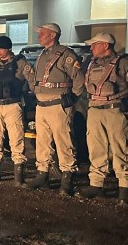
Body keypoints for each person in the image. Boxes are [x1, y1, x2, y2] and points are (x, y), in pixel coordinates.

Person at [79, 32, 128, 205]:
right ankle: (96, 184)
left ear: (106, 45)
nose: (91, 47)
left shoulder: (124, 62)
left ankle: (125, 188)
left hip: (115, 110)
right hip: (94, 109)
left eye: (95, 44)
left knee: (119, 149)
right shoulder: (91, 63)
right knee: (95, 148)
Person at [26, 23, 84, 196]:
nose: (39, 36)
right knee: (42, 142)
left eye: (43, 33)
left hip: (59, 104)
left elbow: (78, 80)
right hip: (41, 105)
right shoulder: (42, 55)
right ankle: (42, 174)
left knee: (63, 141)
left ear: (53, 35)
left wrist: (72, 99)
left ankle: (67, 179)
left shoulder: (66, 55)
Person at [0, 36, 34, 185]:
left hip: (13, 104)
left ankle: (18, 174)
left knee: (16, 138)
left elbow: (31, 82)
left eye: (1, 48)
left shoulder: (20, 63)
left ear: (9, 49)